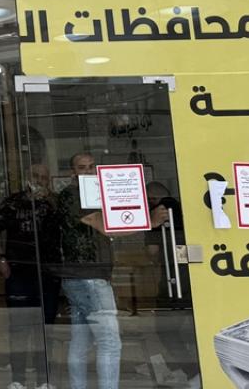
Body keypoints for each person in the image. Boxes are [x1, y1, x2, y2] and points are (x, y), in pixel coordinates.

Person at [54, 153, 168, 389]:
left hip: (82, 276)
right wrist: (150, 221)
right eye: (82, 168)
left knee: (81, 342)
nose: (88, 171)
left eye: (91, 166)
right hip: (88, 276)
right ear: (72, 172)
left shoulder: (90, 196)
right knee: (109, 342)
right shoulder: (73, 195)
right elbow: (105, 226)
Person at [0, 162, 62, 389]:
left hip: (49, 273)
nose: (39, 180)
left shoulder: (56, 202)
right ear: (27, 177)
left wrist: (50, 201)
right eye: (35, 176)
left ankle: (43, 380)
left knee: (46, 327)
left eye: (43, 177)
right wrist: (1, 257)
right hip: (19, 272)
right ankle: (18, 379)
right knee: (19, 327)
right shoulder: (13, 202)